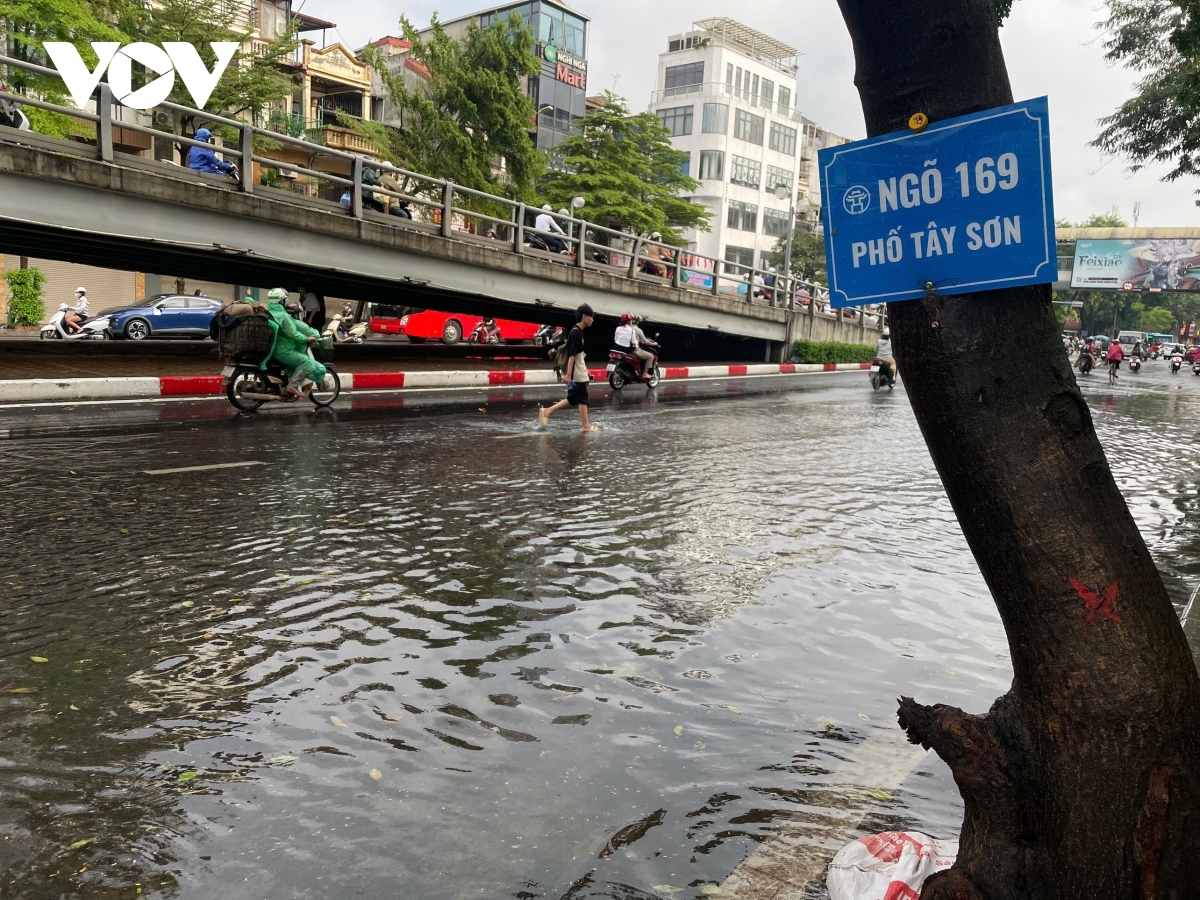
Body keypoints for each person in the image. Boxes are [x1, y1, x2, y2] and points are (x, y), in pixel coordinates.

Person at [538, 303, 599, 432]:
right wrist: (569, 374)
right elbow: (572, 354)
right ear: (584, 316)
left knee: (572, 398)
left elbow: (579, 355)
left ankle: (547, 411)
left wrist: (586, 369)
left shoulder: (578, 331)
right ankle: (586, 425)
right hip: (577, 371)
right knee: (583, 397)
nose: (592, 320)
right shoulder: (576, 332)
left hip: (579, 368)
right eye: (591, 317)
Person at [263, 287, 330, 399]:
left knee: (293, 366)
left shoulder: (269, 312)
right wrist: (306, 339)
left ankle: (287, 387)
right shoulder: (283, 316)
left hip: (274, 350)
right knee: (308, 363)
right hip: (284, 351)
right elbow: (292, 334)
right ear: (281, 300)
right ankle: (292, 386)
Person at [613, 312, 655, 378]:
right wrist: (654, 343)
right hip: (633, 350)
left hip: (616, 348)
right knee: (651, 356)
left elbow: (615, 339)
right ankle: (644, 374)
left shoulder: (618, 328)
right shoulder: (635, 330)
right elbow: (641, 342)